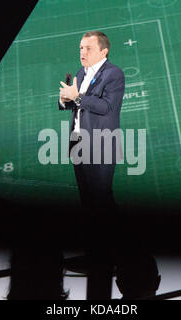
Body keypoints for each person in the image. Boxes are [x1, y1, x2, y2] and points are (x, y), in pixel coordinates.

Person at [59, 31, 125, 211]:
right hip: (77, 143)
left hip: (100, 145)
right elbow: (76, 105)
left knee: (101, 197)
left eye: (89, 48)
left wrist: (77, 97)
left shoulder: (114, 74)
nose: (83, 52)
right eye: (81, 48)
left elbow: (107, 107)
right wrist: (65, 100)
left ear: (103, 52)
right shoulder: (81, 73)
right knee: (86, 197)